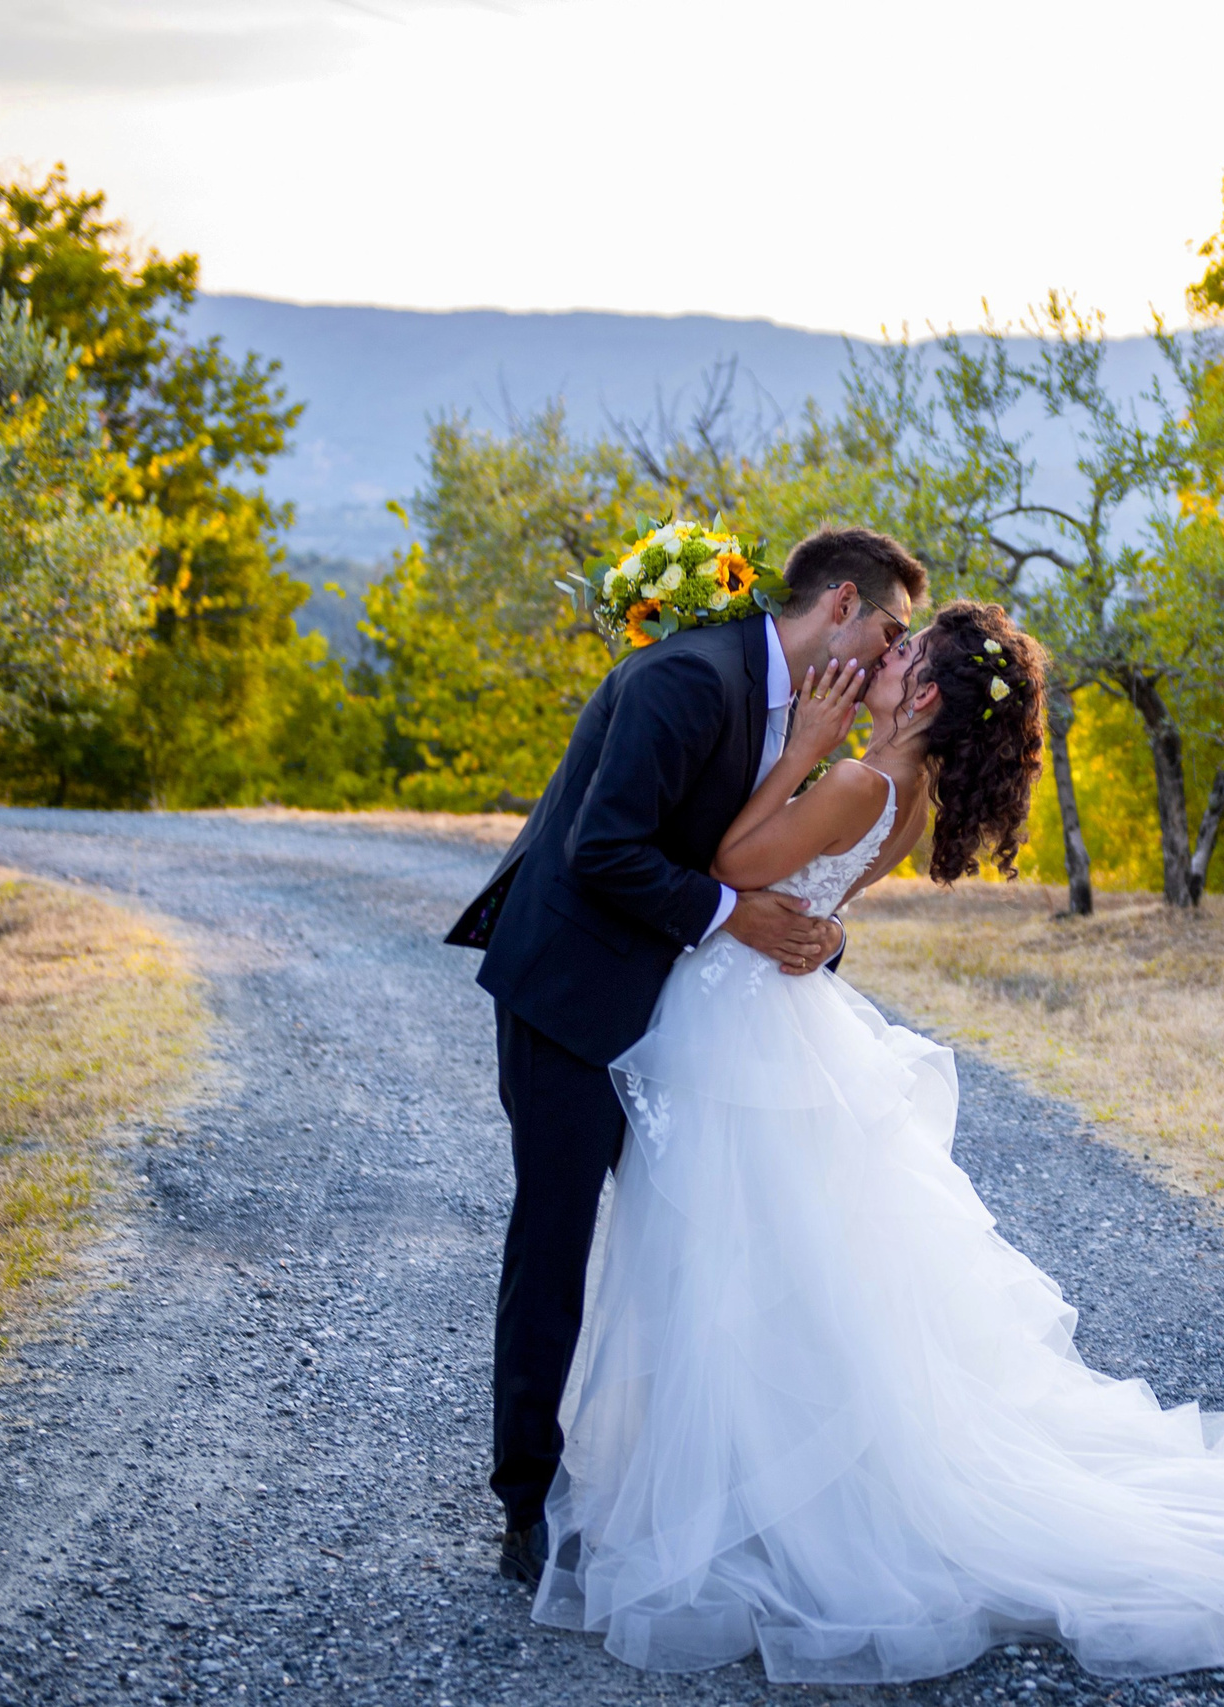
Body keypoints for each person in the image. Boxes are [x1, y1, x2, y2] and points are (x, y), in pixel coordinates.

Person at [526, 602, 1224, 1685]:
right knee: (777, 1271)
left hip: (742, 1031)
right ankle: (749, 1488)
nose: (877, 664)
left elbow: (734, 861)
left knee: (730, 1261)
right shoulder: (907, 797)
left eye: (899, 659)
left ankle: (750, 1508)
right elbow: (814, 894)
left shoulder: (856, 780)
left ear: (924, 695)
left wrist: (800, 747)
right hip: (773, 1018)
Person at [447, 526, 925, 1584]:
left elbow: (784, 867)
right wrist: (733, 916)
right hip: (572, 993)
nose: (898, 653)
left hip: (685, 1017)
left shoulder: (807, 714)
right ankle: (527, 1501)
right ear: (841, 605)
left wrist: (815, 935)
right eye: (893, 629)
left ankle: (695, 1485)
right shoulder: (688, 678)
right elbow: (603, 850)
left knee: (703, 1243)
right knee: (556, 1237)